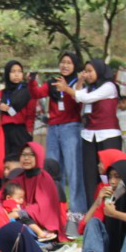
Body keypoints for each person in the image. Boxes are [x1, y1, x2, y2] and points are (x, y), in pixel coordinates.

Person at [75, 58, 121, 208]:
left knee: (109, 174)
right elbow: (78, 96)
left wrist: (68, 89)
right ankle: (92, 210)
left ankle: (112, 208)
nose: (87, 74)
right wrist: (80, 82)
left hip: (108, 135)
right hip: (89, 135)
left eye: (90, 71)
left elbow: (87, 98)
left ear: (99, 71)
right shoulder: (90, 87)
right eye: (85, 71)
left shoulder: (109, 86)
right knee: (90, 176)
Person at [46, 52, 86, 210]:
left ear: (75, 66)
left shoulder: (79, 83)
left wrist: (77, 84)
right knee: (52, 169)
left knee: (74, 171)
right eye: (62, 62)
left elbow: (79, 102)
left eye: (69, 62)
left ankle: (77, 213)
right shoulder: (54, 83)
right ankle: (55, 209)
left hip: (71, 128)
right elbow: (37, 94)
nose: (65, 65)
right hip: (53, 128)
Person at [0, 60, 38, 163]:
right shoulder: (2, 93)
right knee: (5, 159)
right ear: (7, 73)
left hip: (20, 130)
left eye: (19, 71)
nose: (16, 74)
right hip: (4, 130)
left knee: (21, 159)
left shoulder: (27, 91)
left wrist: (29, 130)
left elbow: (31, 112)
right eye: (13, 71)